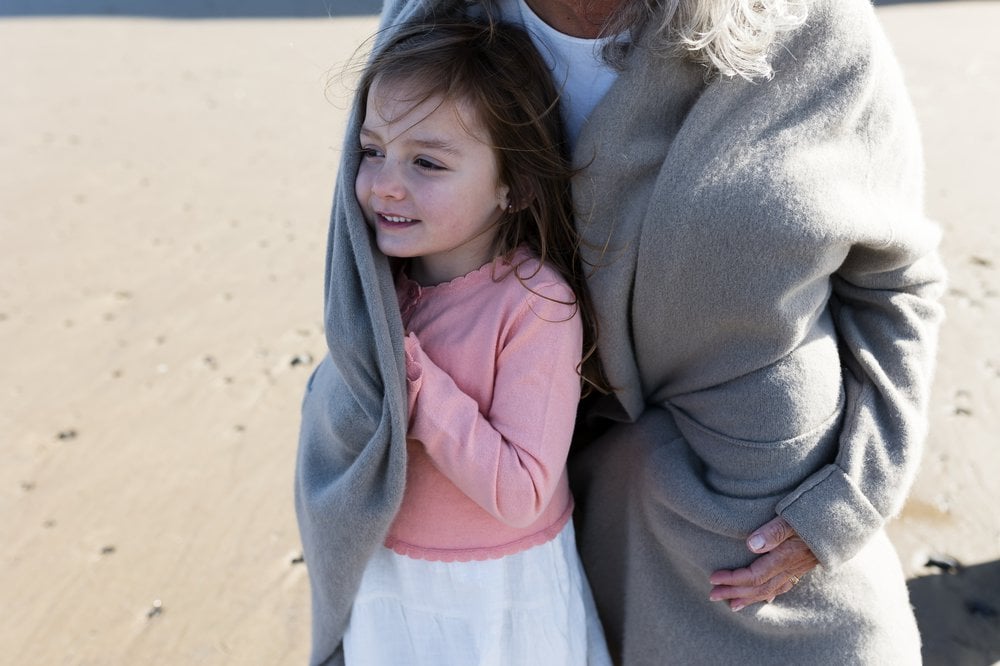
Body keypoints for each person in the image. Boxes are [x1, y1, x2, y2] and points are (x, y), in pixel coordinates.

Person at [296, 0, 946, 663]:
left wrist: (857, 494)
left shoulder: (811, 23)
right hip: (476, 544)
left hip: (756, 537)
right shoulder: (434, 13)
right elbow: (363, 278)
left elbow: (894, 282)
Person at [299, 18, 612, 665]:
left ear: (514, 185)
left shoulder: (533, 304)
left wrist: (418, 383)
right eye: (372, 150)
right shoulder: (380, 292)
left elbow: (522, 493)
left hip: (496, 595)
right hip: (389, 577)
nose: (385, 182)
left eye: (427, 162)